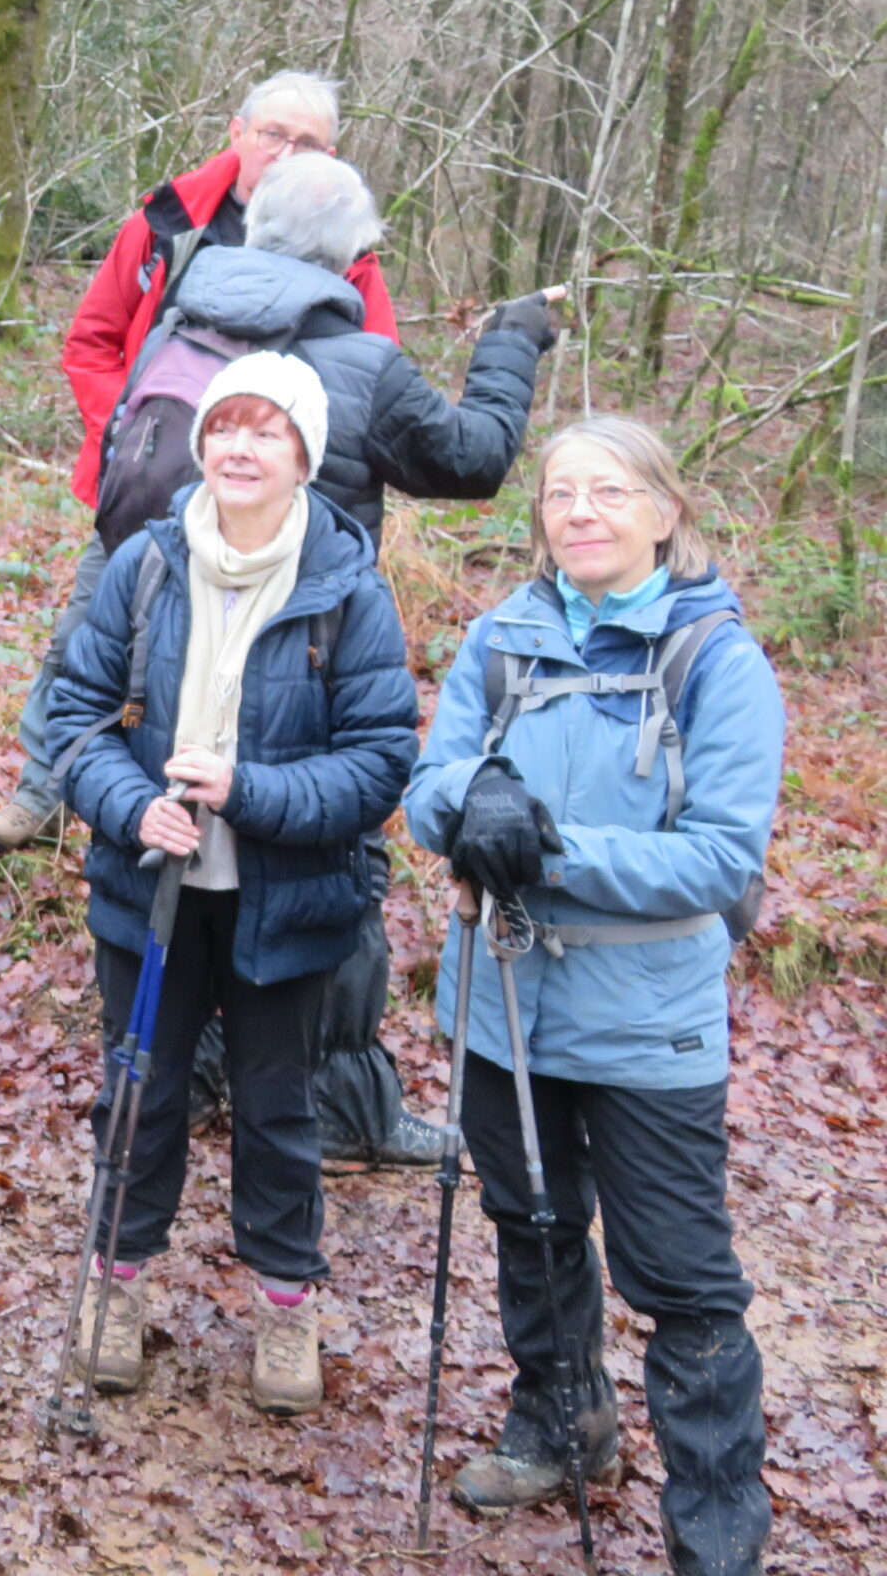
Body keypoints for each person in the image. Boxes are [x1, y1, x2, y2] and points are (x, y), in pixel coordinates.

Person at [127, 151, 557, 1166]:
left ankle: (192, 1079)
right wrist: (511, 342)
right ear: (358, 254)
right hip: (314, 653)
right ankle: (339, 1109)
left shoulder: (178, 328)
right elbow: (473, 460)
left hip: (172, 644)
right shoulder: (362, 362)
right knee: (334, 867)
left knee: (180, 851)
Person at [405, 417, 779, 1576]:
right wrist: (472, 798)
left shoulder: (714, 657)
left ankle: (716, 1533)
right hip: (504, 1002)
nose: (580, 511)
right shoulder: (502, 638)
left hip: (647, 1020)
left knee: (681, 1276)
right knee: (532, 1225)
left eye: (609, 491)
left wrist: (549, 848)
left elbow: (720, 858)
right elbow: (429, 786)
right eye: (561, 492)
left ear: (664, 512)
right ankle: (561, 1425)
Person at [47, 352, 417, 1414]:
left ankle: (287, 1306)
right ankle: (116, 1284)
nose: (239, 448)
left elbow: (379, 761)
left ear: (305, 456)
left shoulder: (348, 589)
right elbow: (74, 716)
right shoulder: (146, 564)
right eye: (224, 426)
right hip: (149, 892)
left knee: (277, 1106)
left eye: (266, 431)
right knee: (141, 1094)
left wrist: (247, 791)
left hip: (287, 900)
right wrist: (132, 806)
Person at [0, 69, 395, 854]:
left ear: (331, 156)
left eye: (306, 142)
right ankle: (40, 795)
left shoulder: (351, 257)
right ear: (237, 132)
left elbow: (374, 383)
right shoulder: (171, 223)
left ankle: (221, 825)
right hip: (147, 490)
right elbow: (93, 340)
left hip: (274, 513)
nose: (285, 152)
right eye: (272, 133)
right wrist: (128, 436)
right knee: (86, 640)